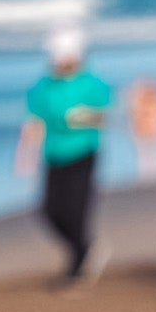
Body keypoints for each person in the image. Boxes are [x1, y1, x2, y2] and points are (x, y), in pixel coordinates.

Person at [17, 28, 112, 281]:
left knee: (76, 211)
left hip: (83, 152)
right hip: (54, 155)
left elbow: (103, 116)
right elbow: (33, 123)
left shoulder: (92, 84)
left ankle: (79, 263)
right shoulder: (43, 87)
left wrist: (79, 118)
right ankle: (83, 249)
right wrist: (24, 156)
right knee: (50, 211)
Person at [125, 76, 156, 180]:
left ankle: (155, 179)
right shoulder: (138, 100)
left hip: (152, 130)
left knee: (153, 156)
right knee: (145, 157)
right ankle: (148, 180)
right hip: (143, 130)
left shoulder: (154, 104)